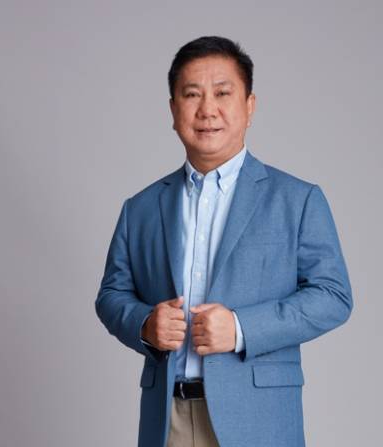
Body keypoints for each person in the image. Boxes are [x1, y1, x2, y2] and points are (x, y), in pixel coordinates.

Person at [95, 35, 353, 447]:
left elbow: (333, 296)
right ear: (173, 110)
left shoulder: (297, 199)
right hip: (167, 420)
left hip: (258, 421)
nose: (207, 109)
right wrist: (144, 324)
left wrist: (240, 328)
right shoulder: (140, 208)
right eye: (192, 94)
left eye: (222, 93)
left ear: (249, 106)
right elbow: (111, 296)